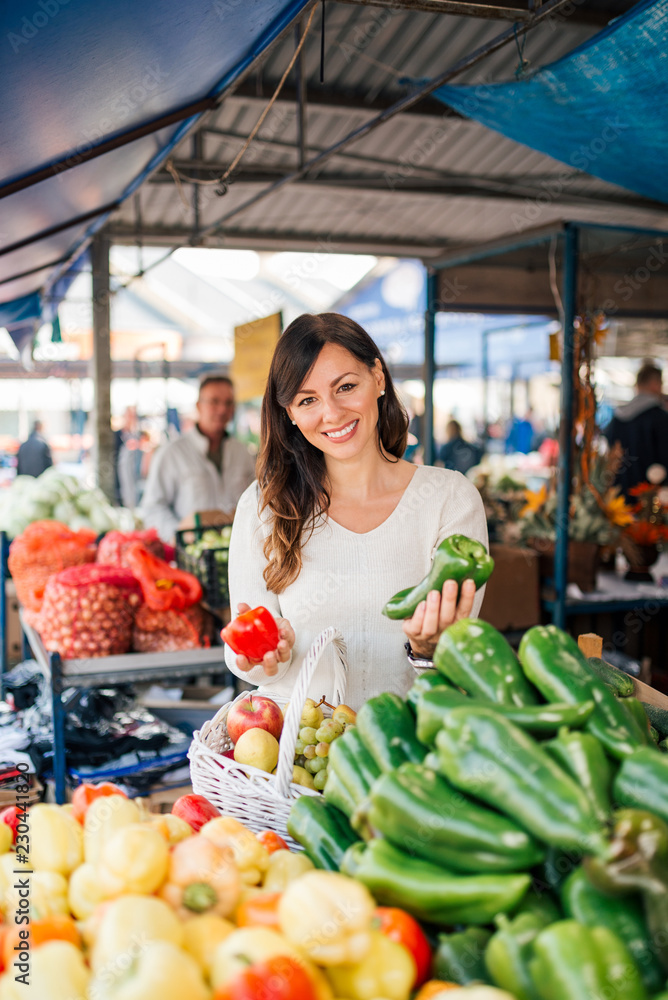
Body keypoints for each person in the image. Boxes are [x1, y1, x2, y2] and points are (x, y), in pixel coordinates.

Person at [224, 313, 488, 709]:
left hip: (410, 748)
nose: (331, 413)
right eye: (307, 399)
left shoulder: (449, 499)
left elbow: (460, 657)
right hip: (297, 756)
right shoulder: (265, 505)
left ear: (378, 378)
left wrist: (428, 651)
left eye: (346, 386)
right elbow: (244, 659)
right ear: (290, 414)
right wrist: (267, 658)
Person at [141, 376, 256, 542]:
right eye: (214, 402)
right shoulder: (172, 453)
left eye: (228, 403)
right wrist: (179, 536)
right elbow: (153, 508)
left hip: (237, 549)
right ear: (198, 406)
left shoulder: (242, 452)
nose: (222, 409)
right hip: (191, 555)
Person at [604, 362, 668, 497]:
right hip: (652, 500)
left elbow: (608, 454)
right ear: (655, 384)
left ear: (637, 385)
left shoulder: (617, 418)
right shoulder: (660, 418)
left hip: (618, 496)